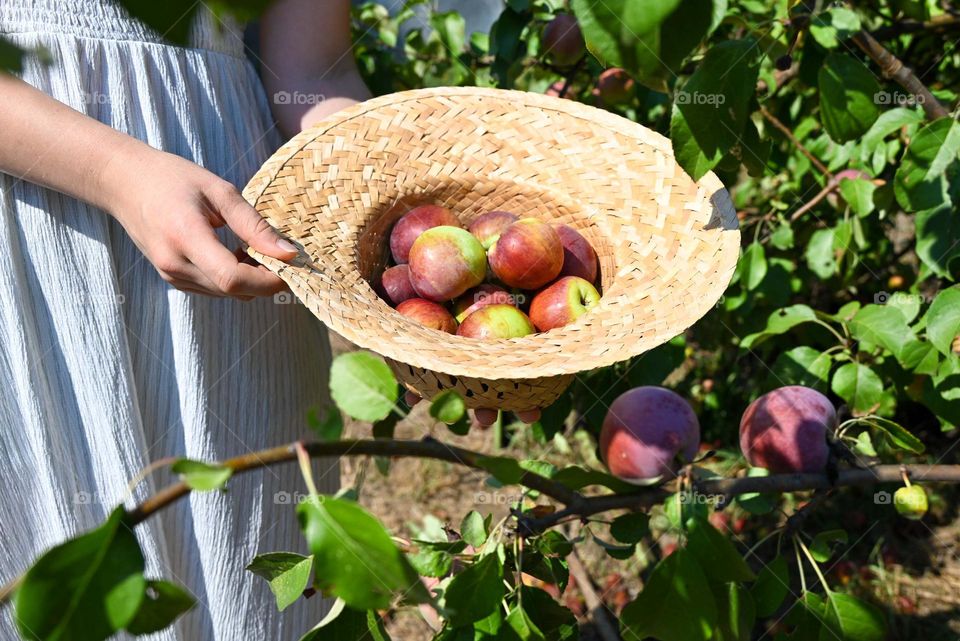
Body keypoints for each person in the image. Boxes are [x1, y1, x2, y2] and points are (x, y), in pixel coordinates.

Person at [0, 1, 369, 638]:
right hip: (33, 201)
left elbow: (312, 71)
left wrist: (383, 231)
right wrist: (116, 173)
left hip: (231, 219)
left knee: (254, 580)